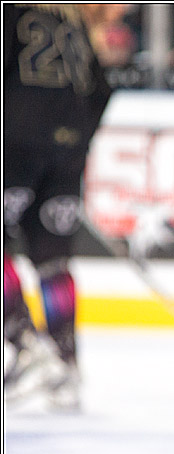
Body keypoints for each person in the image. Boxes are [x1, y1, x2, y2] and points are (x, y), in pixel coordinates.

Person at [3, 3, 115, 411]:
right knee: (52, 258)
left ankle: (28, 349)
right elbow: (101, 89)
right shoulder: (72, 21)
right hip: (67, 147)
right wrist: (75, 146)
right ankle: (65, 364)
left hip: (14, 141)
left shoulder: (11, 15)